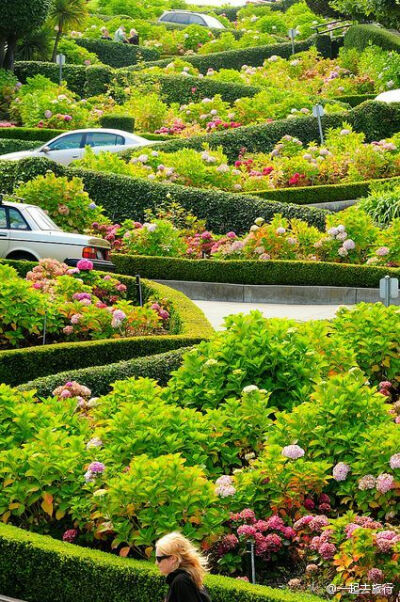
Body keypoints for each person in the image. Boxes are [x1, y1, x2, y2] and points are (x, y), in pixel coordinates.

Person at [155, 532, 212, 602]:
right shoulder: (187, 577)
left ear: (173, 559)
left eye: (159, 559)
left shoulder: (181, 581)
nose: (156, 563)